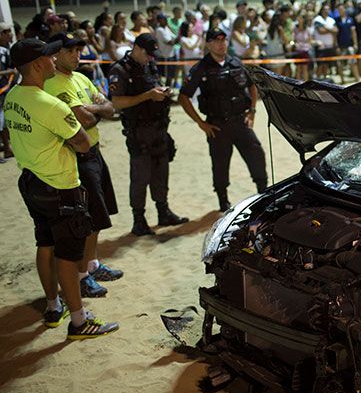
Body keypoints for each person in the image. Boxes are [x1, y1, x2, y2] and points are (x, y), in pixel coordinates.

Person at [6, 38, 119, 338]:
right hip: (59, 185)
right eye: (49, 57)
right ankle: (80, 321)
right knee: (68, 255)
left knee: (45, 244)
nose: (54, 61)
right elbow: (82, 142)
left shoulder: (13, 96)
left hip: (30, 181)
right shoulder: (50, 105)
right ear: (39, 64)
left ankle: (54, 306)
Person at [44, 33, 122, 298]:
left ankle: (92, 264)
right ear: (57, 54)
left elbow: (111, 109)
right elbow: (84, 121)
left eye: (79, 50)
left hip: (95, 152)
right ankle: (81, 276)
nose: (77, 55)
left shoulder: (81, 78)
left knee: (99, 216)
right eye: (72, 51)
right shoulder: (54, 84)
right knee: (85, 218)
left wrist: (92, 110)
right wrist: (94, 110)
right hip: (77, 155)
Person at [178, 28, 268, 211]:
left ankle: (263, 192)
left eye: (224, 40)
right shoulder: (201, 68)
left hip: (240, 121)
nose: (222, 44)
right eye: (217, 40)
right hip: (217, 125)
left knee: (256, 155)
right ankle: (223, 200)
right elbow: (183, 97)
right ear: (209, 44)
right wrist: (201, 123)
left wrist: (252, 111)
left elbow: (252, 86)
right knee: (220, 164)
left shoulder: (236, 63)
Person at [108, 34, 188, 235]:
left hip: (158, 129)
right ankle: (139, 219)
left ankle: (163, 212)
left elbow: (153, 88)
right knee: (140, 176)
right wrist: (148, 95)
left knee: (161, 172)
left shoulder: (149, 66)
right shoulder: (121, 69)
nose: (150, 58)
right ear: (136, 48)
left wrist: (162, 92)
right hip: (139, 131)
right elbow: (116, 102)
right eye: (147, 53)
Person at [0, 22, 17, 161]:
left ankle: (8, 148)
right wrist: (10, 71)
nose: (10, 34)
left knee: (5, 120)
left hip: (6, 90)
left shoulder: (6, 49)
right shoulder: (1, 52)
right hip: (1, 90)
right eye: (6, 32)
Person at [154, 14, 177, 88]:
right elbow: (170, 42)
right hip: (165, 56)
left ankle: (168, 92)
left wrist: (169, 27)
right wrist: (180, 37)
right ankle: (165, 92)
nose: (166, 21)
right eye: (164, 19)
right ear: (159, 21)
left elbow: (174, 35)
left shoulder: (166, 28)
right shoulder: (159, 30)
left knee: (171, 76)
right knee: (166, 76)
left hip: (172, 54)